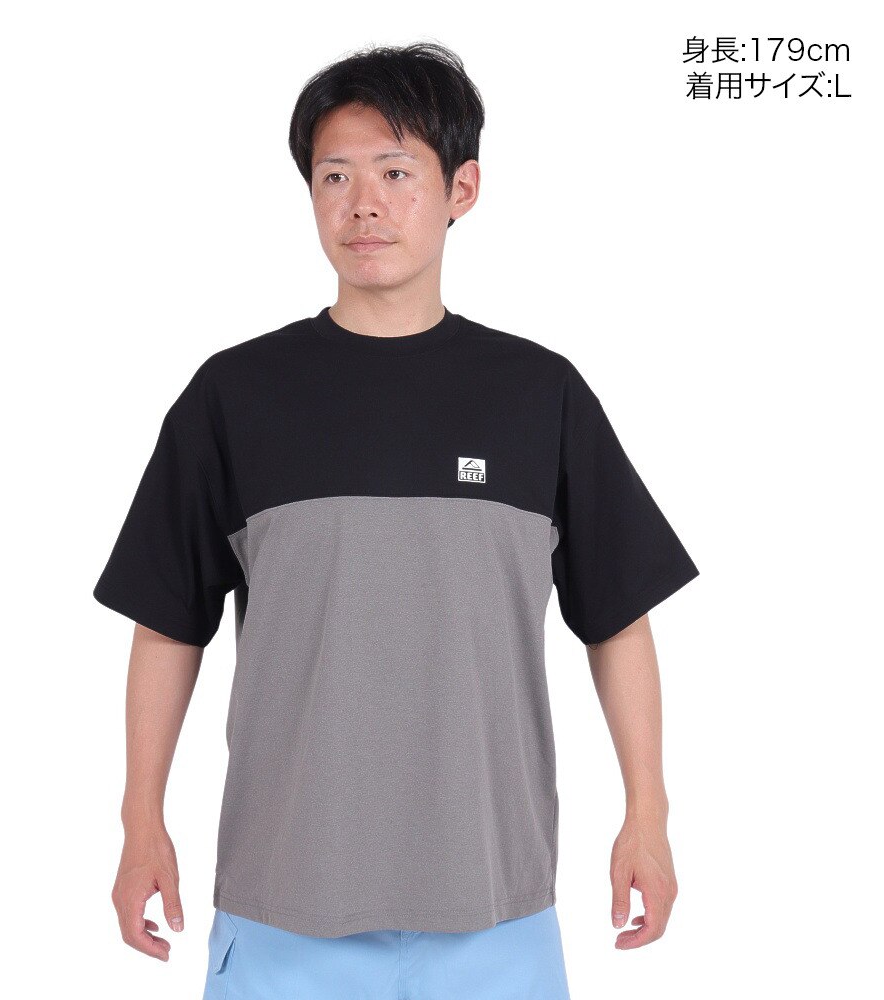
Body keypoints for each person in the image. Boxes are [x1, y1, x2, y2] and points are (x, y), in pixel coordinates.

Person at [93, 41, 699, 1000]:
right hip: (284, 913)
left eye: (395, 172)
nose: (362, 204)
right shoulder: (236, 395)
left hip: (497, 914)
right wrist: (140, 825)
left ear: (462, 189)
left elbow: (618, 617)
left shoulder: (539, 394)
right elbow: (168, 623)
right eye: (335, 176)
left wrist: (649, 818)